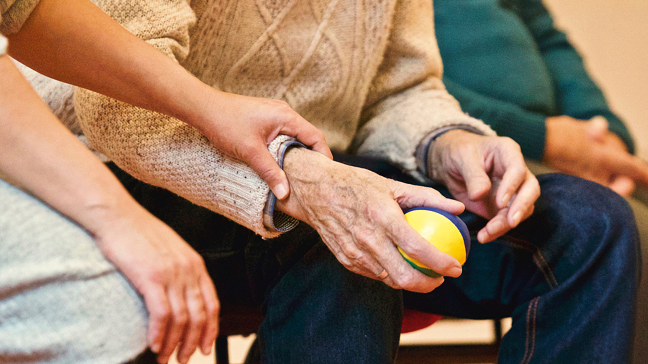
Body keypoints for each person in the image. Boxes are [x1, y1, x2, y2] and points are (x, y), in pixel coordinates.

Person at [17, 0, 640, 363]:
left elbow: (401, 88)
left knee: (589, 223)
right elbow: (114, 108)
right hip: (139, 166)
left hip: (328, 168)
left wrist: (450, 144)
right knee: (345, 241)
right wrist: (302, 181)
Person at [0, 0, 330, 362]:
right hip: (90, 157)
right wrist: (119, 218)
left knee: (340, 241)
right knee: (106, 315)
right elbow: (108, 111)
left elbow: (22, 11)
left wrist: (213, 107)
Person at [431, 0, 648, 361]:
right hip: (463, 149)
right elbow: (398, 87)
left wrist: (606, 134)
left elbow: (550, 41)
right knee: (619, 228)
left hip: (553, 150)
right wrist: (543, 137)